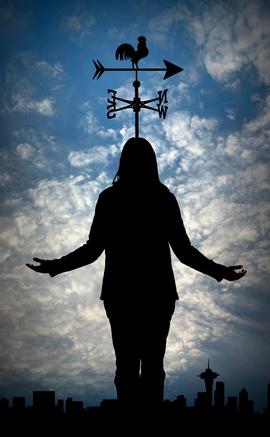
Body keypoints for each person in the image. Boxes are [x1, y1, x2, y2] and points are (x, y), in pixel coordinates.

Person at [26, 137, 246, 408]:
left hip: (123, 296)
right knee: (152, 368)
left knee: (127, 368)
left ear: (122, 163)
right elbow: (183, 250)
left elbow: (92, 250)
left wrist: (55, 266)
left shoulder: (112, 198)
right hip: (155, 295)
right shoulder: (161, 197)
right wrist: (219, 271)